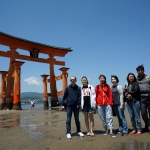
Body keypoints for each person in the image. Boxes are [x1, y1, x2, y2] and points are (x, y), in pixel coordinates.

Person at [136, 65, 150, 132]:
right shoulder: (136, 79)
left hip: (149, 96)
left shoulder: (148, 77)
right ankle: (147, 125)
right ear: (137, 72)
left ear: (144, 71)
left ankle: (148, 126)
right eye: (139, 70)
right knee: (143, 113)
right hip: (141, 98)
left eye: (141, 70)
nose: (140, 71)